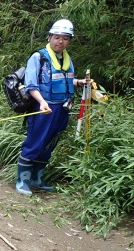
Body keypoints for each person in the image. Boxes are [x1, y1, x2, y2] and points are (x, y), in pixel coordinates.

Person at [16, 19, 90, 196]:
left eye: (65, 38)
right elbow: (31, 85)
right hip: (43, 108)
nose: (60, 41)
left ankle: (37, 179)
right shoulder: (38, 57)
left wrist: (78, 82)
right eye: (57, 37)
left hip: (62, 109)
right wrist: (42, 102)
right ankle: (22, 181)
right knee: (35, 143)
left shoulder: (67, 59)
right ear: (50, 37)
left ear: (69, 41)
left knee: (49, 145)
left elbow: (62, 79)